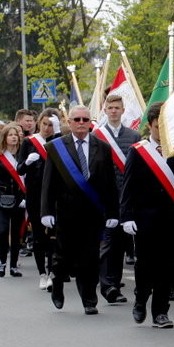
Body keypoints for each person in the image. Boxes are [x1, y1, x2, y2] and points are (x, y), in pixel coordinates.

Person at [41, 106, 120, 315]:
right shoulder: (57, 147)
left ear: (90, 122)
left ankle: (89, 300)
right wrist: (46, 211)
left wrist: (113, 212)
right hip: (65, 213)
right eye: (77, 119)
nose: (81, 123)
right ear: (69, 122)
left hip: (92, 213)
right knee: (62, 257)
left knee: (90, 257)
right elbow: (48, 182)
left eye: (85, 119)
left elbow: (110, 183)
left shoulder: (102, 147)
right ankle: (57, 283)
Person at [122, 102, 174, 328]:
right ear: (150, 126)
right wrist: (127, 216)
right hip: (144, 218)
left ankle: (161, 312)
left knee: (167, 266)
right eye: (156, 127)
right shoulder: (138, 151)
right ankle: (141, 299)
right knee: (145, 265)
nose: (161, 132)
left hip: (171, 219)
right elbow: (128, 186)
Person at [96, 94, 140, 305]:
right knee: (108, 243)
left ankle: (115, 283)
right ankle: (107, 286)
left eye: (117, 107)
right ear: (105, 110)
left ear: (123, 110)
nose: (113, 111)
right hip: (106, 198)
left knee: (122, 244)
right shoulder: (96, 136)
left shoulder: (134, 136)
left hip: (128, 197)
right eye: (110, 107)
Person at [18, 112, 57, 289]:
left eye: (51, 125)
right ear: (39, 123)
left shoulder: (58, 142)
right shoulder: (29, 142)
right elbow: (20, 169)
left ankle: (52, 272)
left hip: (54, 195)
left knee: (54, 236)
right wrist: (27, 162)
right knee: (39, 236)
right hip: (35, 195)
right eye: (44, 124)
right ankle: (42, 273)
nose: (47, 128)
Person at [0, 124, 27, 278]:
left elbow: (29, 180)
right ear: (4, 138)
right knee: (3, 231)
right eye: (10, 135)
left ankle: (13, 265)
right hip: (1, 199)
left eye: (15, 134)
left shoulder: (23, 156)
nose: (14, 137)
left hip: (19, 200)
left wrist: (25, 198)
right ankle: (2, 262)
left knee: (16, 234)